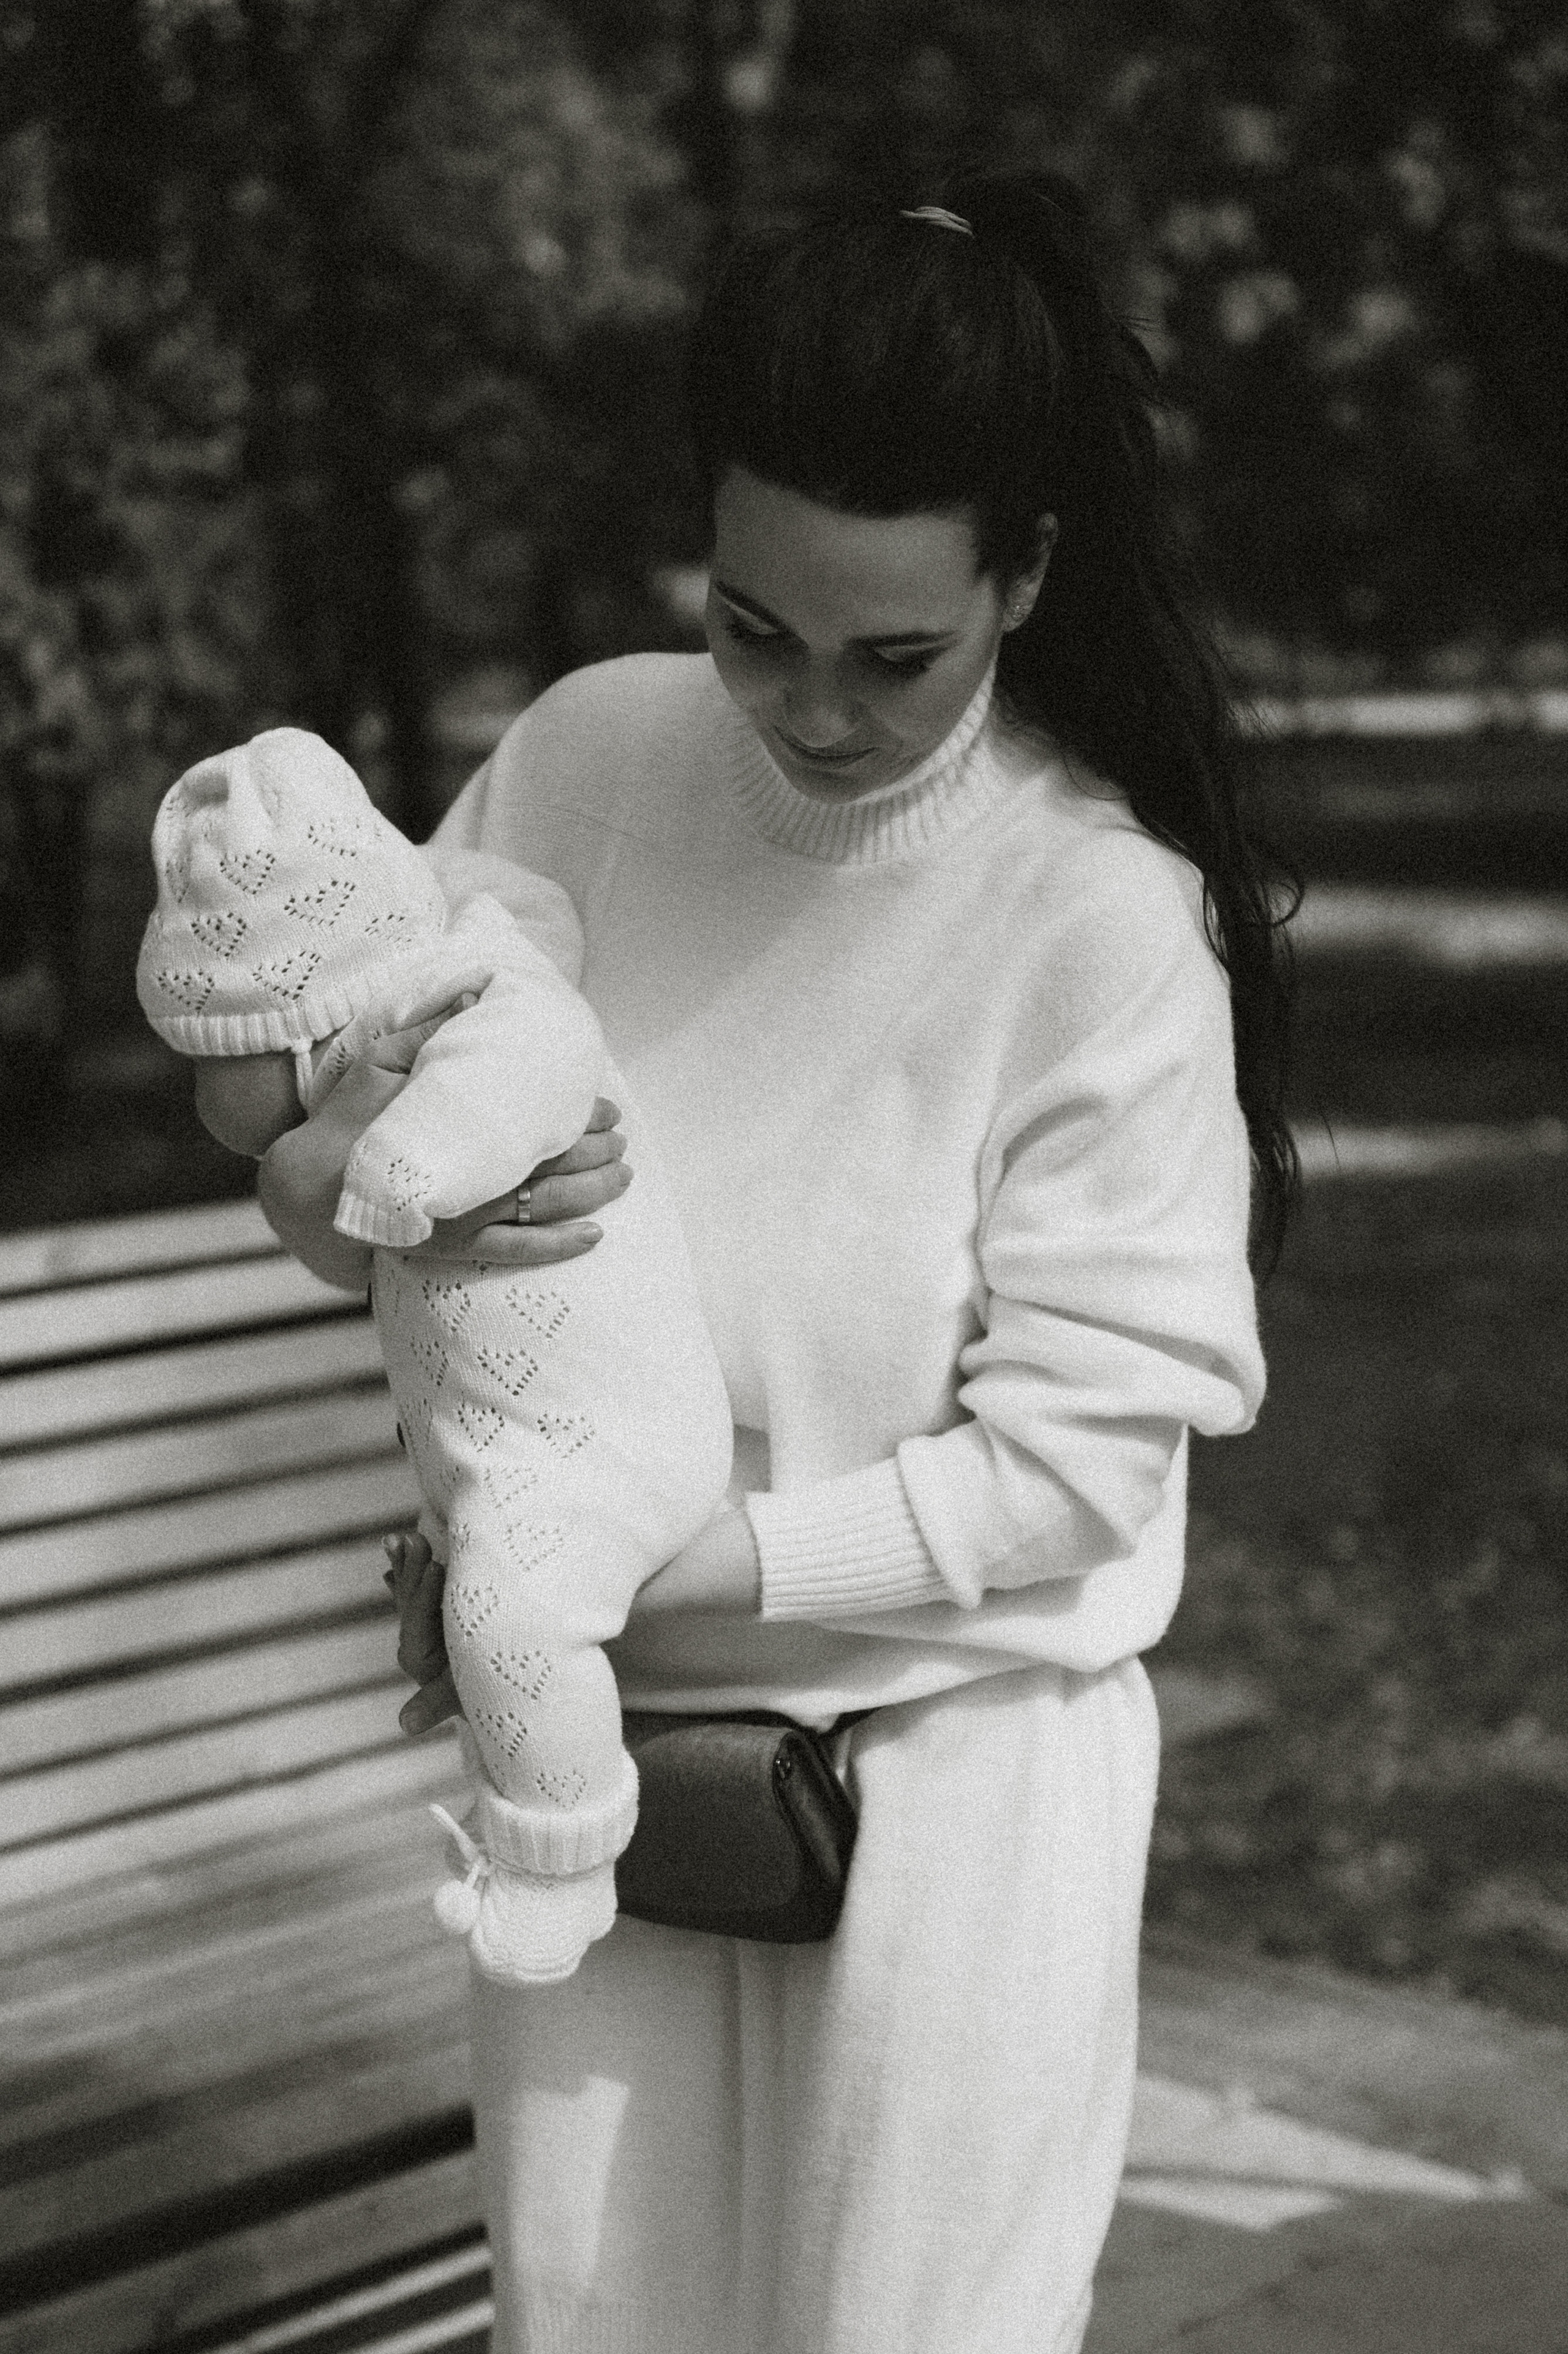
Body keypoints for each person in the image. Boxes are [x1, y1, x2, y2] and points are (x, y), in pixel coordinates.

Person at [260, 168, 1289, 2354]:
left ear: (1023, 574)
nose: (811, 708)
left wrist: (616, 1565)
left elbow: (1072, 1472)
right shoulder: (592, 759)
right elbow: (313, 1131)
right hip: (608, 1783)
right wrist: (329, 1167)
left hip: (951, 1799)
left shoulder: (1097, 923)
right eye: (753, 623)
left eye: (892, 653)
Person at [135, 726, 732, 1983]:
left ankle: (559, 1864)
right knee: (486, 1590)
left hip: (602, 1444)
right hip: (514, 1449)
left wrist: (410, 1167)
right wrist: (327, 1171)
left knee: (516, 1614)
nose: (212, 1106)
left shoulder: (464, 993)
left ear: (306, 1026)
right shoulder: (392, 1017)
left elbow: (534, 1056)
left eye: (222, 1066)